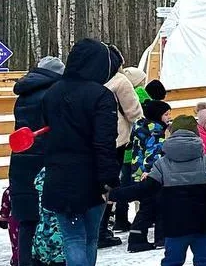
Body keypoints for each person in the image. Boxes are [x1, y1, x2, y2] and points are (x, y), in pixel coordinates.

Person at [108, 115, 206, 266]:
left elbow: (145, 189)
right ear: (197, 133)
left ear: (171, 134)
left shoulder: (162, 164)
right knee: (205, 260)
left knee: (172, 262)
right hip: (203, 224)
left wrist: (113, 194)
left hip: (174, 224)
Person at [41, 38, 122, 266]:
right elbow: (105, 141)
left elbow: (47, 134)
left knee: (72, 238)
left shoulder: (52, 92)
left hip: (58, 176)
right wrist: (109, 178)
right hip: (91, 177)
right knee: (90, 238)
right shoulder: (100, 95)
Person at [10, 56, 63, 265]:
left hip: (22, 161)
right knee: (49, 221)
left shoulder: (23, 94)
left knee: (27, 221)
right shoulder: (53, 95)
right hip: (44, 161)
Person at [100, 65, 145, 247]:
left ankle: (96, 228)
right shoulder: (120, 80)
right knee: (111, 184)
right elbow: (134, 113)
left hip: (91, 140)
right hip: (117, 139)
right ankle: (102, 230)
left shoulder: (88, 79)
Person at [127, 99, 171, 252]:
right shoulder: (155, 130)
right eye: (166, 114)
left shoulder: (140, 126)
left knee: (146, 208)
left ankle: (136, 238)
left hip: (138, 172)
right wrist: (151, 171)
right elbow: (153, 153)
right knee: (158, 206)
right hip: (151, 174)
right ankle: (160, 238)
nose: (168, 118)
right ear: (158, 115)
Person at [34, 167, 65, 266]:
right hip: (59, 229)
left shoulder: (44, 173)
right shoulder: (63, 171)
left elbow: (37, 183)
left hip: (42, 229)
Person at [1, 186, 19, 265]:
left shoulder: (9, 191)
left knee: (17, 246)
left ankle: (16, 261)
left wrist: (3, 217)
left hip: (15, 222)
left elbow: (4, 214)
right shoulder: (37, 186)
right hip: (35, 220)